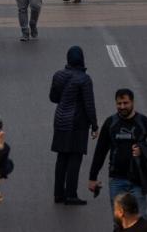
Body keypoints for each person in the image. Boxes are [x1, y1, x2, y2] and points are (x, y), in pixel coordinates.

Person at [88, 89, 147, 218]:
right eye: (119, 103)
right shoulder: (110, 123)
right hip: (117, 179)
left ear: (132, 102)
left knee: (139, 219)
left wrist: (143, 149)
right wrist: (92, 178)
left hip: (139, 179)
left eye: (125, 103)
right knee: (119, 221)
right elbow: (100, 151)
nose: (122, 107)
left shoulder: (144, 122)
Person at [50, 45, 98, 205]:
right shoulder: (84, 79)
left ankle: (58, 194)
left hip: (60, 120)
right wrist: (95, 125)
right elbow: (89, 104)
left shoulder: (58, 75)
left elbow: (53, 98)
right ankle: (71, 194)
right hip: (77, 122)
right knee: (75, 158)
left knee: (62, 157)